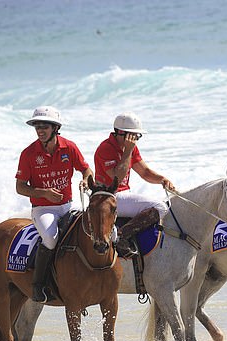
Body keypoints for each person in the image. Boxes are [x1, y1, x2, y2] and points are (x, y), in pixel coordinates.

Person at [16, 106, 93, 303]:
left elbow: (86, 170)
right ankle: (38, 285)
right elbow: (20, 187)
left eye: (44, 126)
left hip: (67, 206)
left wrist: (85, 180)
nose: (40, 130)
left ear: (55, 128)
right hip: (43, 210)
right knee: (50, 239)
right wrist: (44, 193)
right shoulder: (28, 154)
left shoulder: (69, 147)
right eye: (37, 126)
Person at [94, 112, 175, 257]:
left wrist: (162, 179)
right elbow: (117, 179)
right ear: (121, 133)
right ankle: (121, 236)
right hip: (107, 197)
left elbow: (144, 172)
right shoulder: (105, 149)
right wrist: (128, 152)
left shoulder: (130, 148)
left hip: (122, 194)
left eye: (137, 136)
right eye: (134, 136)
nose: (136, 140)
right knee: (160, 208)